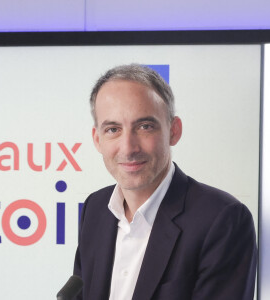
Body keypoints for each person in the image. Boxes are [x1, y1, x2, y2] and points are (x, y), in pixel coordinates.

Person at [73, 64, 257, 300]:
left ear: (174, 131)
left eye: (145, 126)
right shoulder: (95, 208)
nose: (128, 148)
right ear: (97, 139)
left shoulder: (223, 220)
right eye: (113, 129)